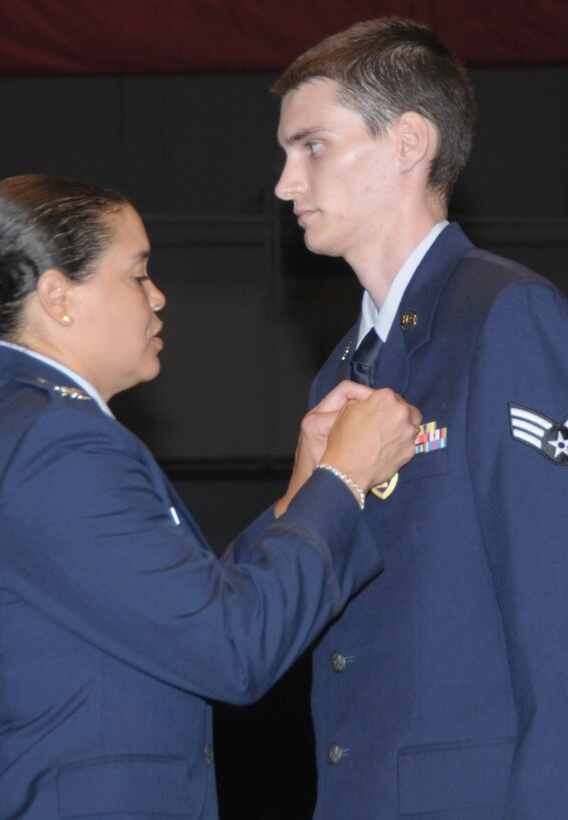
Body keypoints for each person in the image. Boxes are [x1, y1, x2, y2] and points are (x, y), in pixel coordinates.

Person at [0, 174, 420, 819]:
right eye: (136, 273)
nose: (158, 297)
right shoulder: (55, 444)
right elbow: (232, 649)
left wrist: (302, 496)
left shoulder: (2, 424)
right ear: (57, 297)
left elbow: (178, 610)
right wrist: (345, 479)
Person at [269, 16, 568, 819]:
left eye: (313, 147)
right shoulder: (340, 370)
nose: (285, 184)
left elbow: (553, 615)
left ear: (407, 143)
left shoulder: (500, 315)